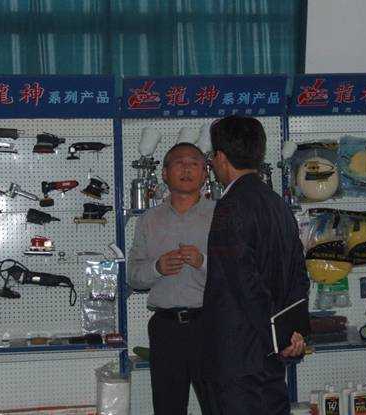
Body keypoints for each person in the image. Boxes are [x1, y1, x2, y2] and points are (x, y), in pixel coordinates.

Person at [202, 116, 311, 415]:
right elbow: (299, 274)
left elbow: (244, 283)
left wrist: (281, 335)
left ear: (220, 157)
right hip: (271, 356)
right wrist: (291, 333)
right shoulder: (278, 204)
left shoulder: (229, 207)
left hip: (238, 358)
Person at [127, 142, 215, 415]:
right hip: (166, 328)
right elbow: (133, 277)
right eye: (179, 163)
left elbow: (239, 273)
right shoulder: (148, 220)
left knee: (219, 405)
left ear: (205, 173)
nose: (186, 169)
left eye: (194, 164)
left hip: (212, 325)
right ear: (165, 173)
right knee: (168, 408)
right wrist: (157, 267)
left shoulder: (222, 215)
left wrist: (203, 262)